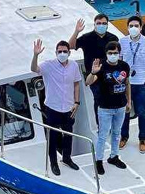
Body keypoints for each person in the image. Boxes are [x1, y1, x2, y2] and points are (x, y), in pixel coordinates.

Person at [30, 39, 82, 176]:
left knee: (68, 135)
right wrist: (35, 55)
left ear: (69, 53)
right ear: (56, 52)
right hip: (53, 108)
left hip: (69, 107)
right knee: (52, 136)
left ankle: (66, 158)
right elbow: (34, 69)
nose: (62, 53)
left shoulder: (74, 66)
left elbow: (77, 84)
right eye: (60, 51)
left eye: (65, 51)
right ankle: (53, 162)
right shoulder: (48, 65)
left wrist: (77, 102)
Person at [86, 41, 131, 174]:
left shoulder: (124, 66)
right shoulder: (102, 67)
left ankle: (114, 156)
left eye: (115, 53)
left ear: (119, 53)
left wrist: (129, 101)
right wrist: (93, 73)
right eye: (110, 53)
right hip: (105, 108)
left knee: (117, 133)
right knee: (103, 135)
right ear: (106, 54)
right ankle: (99, 160)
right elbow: (88, 82)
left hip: (121, 106)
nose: (113, 55)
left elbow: (127, 83)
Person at [119, 15, 145, 153]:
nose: (133, 28)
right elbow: (119, 62)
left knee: (142, 112)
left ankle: (142, 138)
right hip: (125, 83)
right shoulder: (122, 42)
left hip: (141, 83)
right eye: (131, 26)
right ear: (127, 28)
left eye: (136, 26)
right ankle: (124, 136)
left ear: (141, 28)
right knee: (125, 111)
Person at [69, 15, 120, 84]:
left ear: (107, 25)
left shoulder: (113, 38)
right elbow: (71, 46)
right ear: (94, 25)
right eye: (98, 23)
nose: (101, 25)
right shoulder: (86, 37)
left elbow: (117, 55)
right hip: (92, 75)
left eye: (104, 23)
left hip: (109, 74)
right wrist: (76, 32)